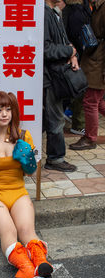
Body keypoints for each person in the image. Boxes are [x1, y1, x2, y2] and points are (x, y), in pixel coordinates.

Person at [0, 91, 53, 278]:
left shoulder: (23, 136)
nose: (5, 114)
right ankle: (25, 268)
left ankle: (41, 263)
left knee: (27, 231)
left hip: (18, 192)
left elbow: (30, 174)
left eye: (8, 109)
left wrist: (28, 161)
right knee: (9, 231)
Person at [43, 0, 77, 172]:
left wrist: (72, 54)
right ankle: (55, 158)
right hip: (49, 77)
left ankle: (55, 156)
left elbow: (64, 42)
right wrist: (69, 51)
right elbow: (45, 49)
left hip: (54, 76)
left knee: (54, 117)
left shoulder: (52, 13)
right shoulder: (44, 14)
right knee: (55, 118)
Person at [69, 0, 105, 150]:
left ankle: (90, 138)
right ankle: (89, 137)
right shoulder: (97, 6)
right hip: (94, 59)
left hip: (99, 61)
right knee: (98, 100)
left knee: (91, 101)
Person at [62, 0, 93, 136]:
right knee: (82, 92)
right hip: (77, 56)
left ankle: (77, 122)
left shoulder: (76, 10)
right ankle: (78, 124)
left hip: (78, 55)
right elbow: (75, 35)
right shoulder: (77, 12)